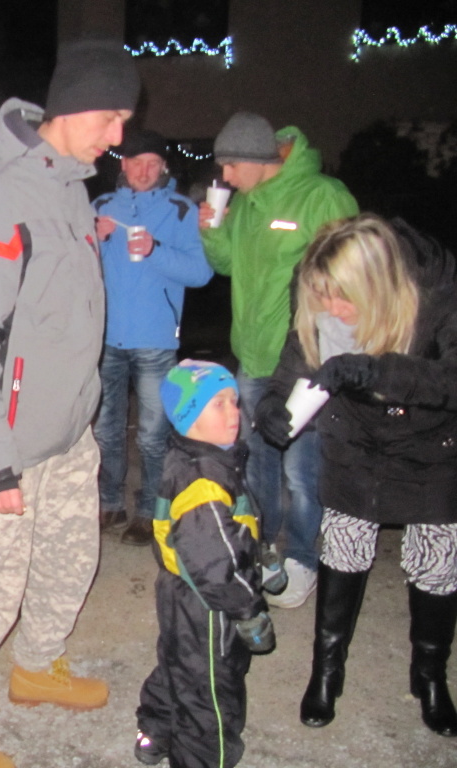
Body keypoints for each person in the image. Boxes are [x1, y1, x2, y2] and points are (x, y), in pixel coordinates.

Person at [0, 39, 139, 768]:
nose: (118, 135)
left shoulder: (70, 187)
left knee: (68, 564)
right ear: (74, 105)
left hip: (68, 433)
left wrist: (83, 420)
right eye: (111, 117)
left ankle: (37, 667)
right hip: (6, 444)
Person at [253, 215, 457, 738]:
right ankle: (327, 670)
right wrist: (273, 404)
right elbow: (296, 359)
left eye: (343, 299)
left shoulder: (438, 286)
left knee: (437, 563)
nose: (333, 312)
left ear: (378, 285)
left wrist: (376, 370)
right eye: (322, 299)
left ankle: (430, 675)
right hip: (357, 442)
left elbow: (452, 381)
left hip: (431, 443)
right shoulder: (321, 292)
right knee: (344, 549)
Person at [200, 112, 358, 608]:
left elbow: (352, 275)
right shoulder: (246, 205)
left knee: (301, 471)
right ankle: (264, 547)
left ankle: (303, 559)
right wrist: (212, 229)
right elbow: (226, 264)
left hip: (305, 362)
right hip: (252, 356)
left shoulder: (323, 196)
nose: (225, 177)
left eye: (231, 166)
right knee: (258, 463)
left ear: (258, 158)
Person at [135, 360, 272, 768]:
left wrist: (262, 555)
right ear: (188, 416)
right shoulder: (203, 484)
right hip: (207, 604)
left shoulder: (207, 458)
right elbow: (215, 562)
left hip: (181, 593)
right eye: (218, 404)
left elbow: (235, 524)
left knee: (178, 663)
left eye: (234, 401)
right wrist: (248, 609)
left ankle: (155, 729)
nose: (234, 413)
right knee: (209, 690)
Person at [92, 129, 212, 545]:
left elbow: (201, 273)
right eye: (136, 162)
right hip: (105, 337)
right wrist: (95, 242)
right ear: (123, 164)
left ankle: (149, 511)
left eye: (152, 164)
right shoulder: (101, 207)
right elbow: (77, 266)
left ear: (163, 167)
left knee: (152, 435)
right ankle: (109, 502)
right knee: (105, 430)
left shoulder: (180, 210)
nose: (143, 171)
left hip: (156, 339)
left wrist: (156, 250)